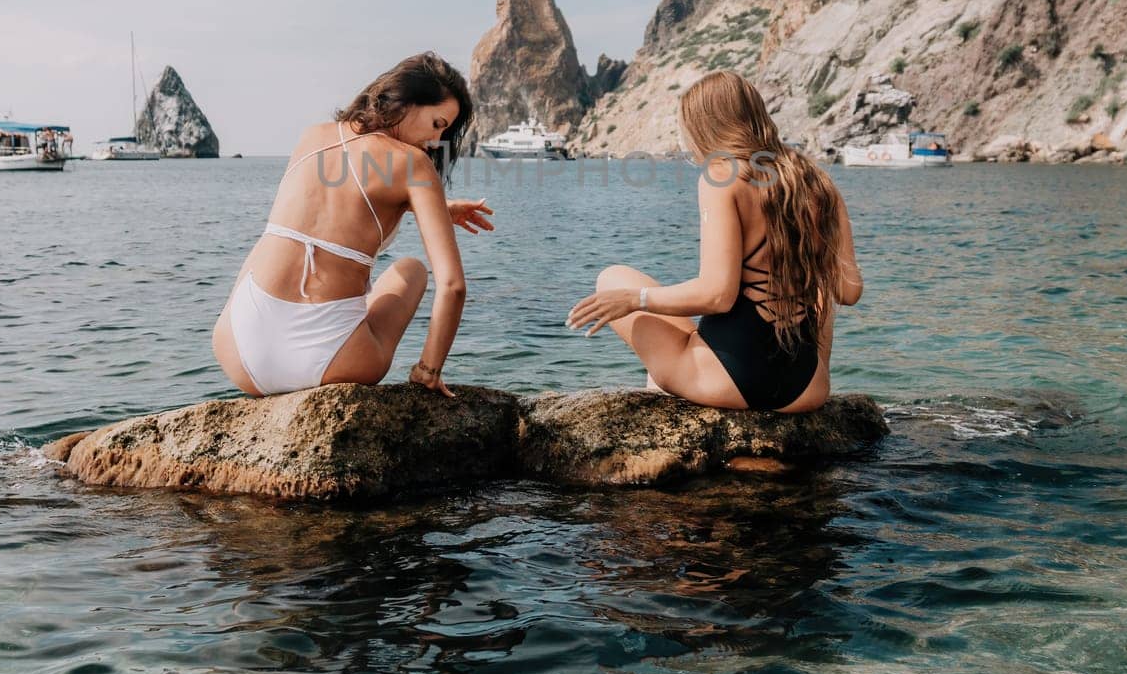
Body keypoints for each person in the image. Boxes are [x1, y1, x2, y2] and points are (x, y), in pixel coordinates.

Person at [566, 71, 862, 413]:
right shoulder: (817, 180)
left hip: (729, 384)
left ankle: (674, 378)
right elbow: (848, 291)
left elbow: (717, 296)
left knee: (613, 278)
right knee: (817, 290)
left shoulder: (721, 175)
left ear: (704, 125)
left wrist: (635, 299)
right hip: (806, 392)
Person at [212, 52, 493, 399]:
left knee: (273, 241)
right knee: (411, 269)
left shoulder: (312, 136)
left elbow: (336, 209)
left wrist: (433, 208)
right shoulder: (413, 164)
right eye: (438, 124)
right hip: (332, 363)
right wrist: (428, 371)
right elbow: (453, 286)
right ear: (408, 101)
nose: (437, 141)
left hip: (240, 355)